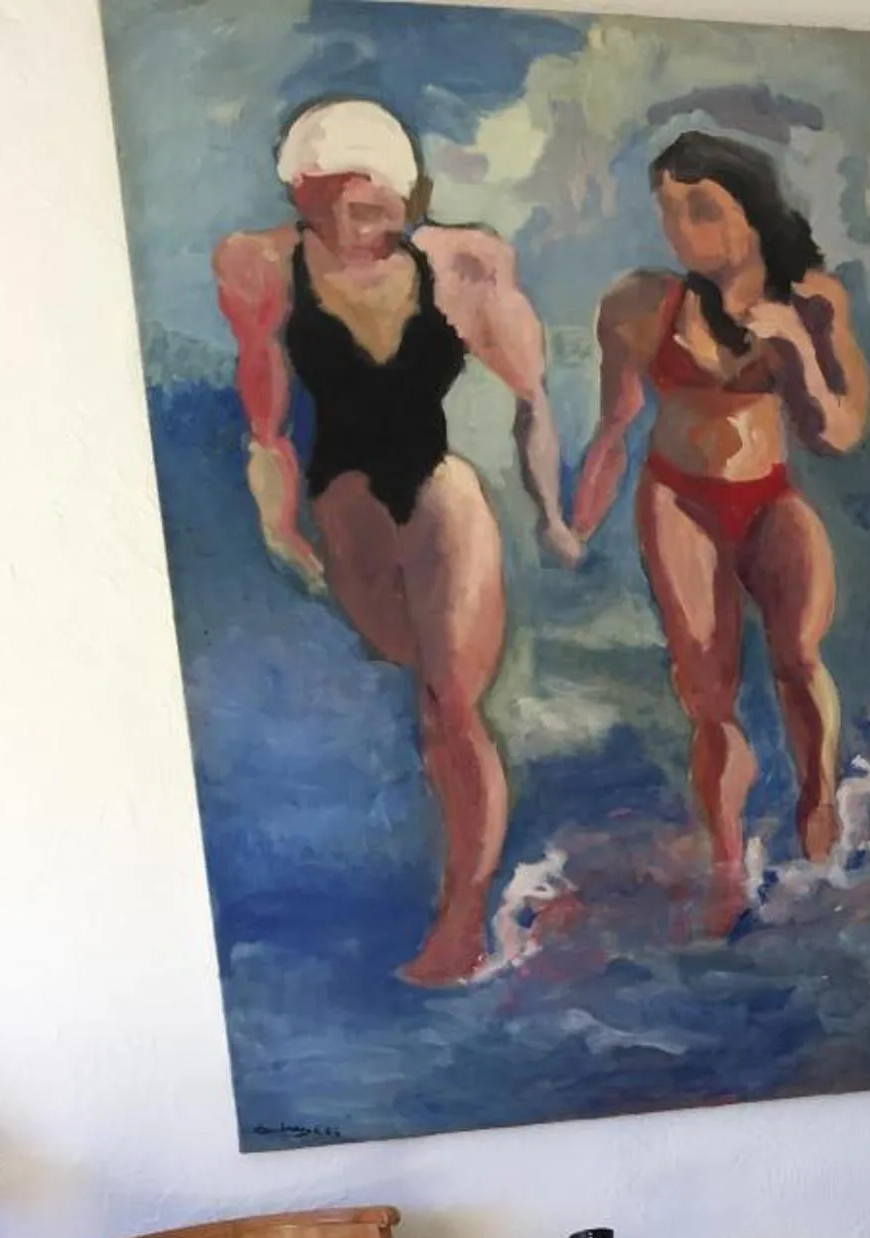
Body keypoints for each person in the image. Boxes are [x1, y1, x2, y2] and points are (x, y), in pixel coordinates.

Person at [214, 98, 578, 987]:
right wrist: (278, 517)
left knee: (454, 709)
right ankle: (475, 894)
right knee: (424, 704)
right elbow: (264, 421)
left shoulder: (463, 265)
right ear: (307, 195)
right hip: (349, 512)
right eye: (344, 204)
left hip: (439, 491)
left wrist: (552, 513)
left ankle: (463, 925)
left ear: (405, 196)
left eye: (381, 205)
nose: (364, 225)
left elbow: (532, 398)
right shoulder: (259, 266)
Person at [569, 132, 870, 934]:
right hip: (679, 501)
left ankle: (817, 807)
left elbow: (837, 433)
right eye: (668, 210)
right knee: (708, 693)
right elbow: (614, 427)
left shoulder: (810, 301)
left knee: (799, 658)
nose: (680, 227)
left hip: (769, 495)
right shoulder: (640, 305)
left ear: (752, 214)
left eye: (701, 207)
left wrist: (798, 348)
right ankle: (728, 865)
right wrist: (577, 521)